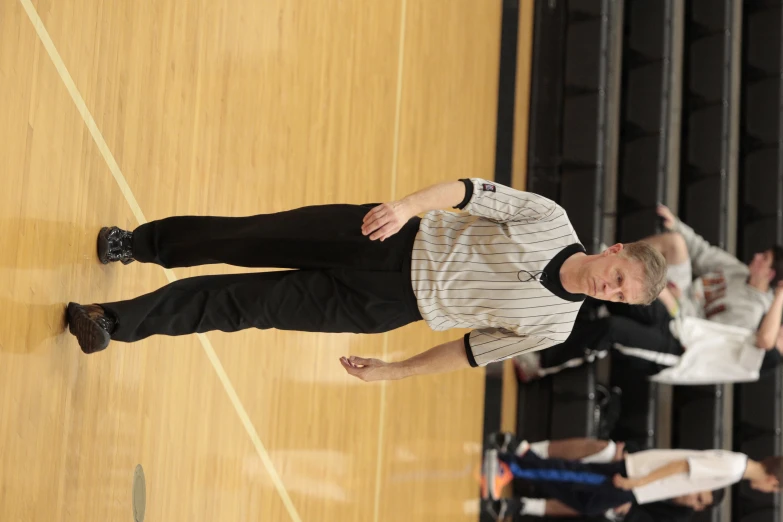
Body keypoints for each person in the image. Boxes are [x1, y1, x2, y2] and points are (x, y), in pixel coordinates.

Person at [65, 179, 667, 381]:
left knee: (241, 305)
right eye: (617, 278)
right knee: (247, 237)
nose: (607, 291)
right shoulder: (549, 219)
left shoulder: (555, 325)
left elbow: (471, 350)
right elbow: (469, 191)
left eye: (618, 296)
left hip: (383, 304)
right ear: (614, 251)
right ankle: (138, 244)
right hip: (387, 236)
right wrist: (404, 207)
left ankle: (112, 322)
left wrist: (395, 370)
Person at [482, 439, 780, 519]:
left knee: (585, 502)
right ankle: (509, 463)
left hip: (639, 484)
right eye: (775, 491)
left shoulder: (736, 466)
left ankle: (516, 456)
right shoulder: (731, 469)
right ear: (774, 482)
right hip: (636, 479)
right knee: (575, 477)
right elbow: (681, 466)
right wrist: (635, 483)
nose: (769, 494)